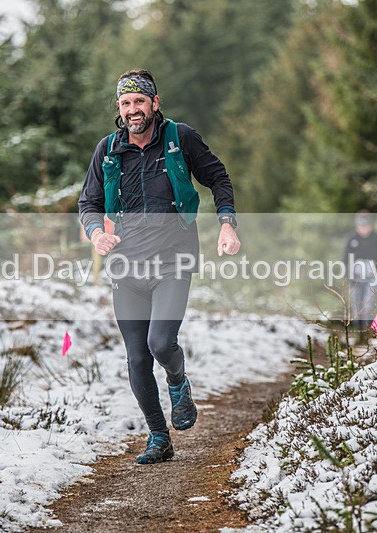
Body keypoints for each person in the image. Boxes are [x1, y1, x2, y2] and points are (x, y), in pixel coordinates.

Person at [78, 69, 240, 464]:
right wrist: (97, 233)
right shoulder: (108, 149)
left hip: (173, 261)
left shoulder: (179, 138)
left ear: (154, 103)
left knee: (160, 343)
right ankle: (157, 436)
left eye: (140, 101)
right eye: (126, 103)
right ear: (119, 107)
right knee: (136, 358)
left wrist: (227, 224)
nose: (133, 110)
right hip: (127, 267)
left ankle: (178, 380)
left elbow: (217, 177)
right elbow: (89, 204)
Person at [343, 210, 377, 332]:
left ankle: (370, 331)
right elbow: (346, 259)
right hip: (355, 277)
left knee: (369, 304)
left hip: (373, 277)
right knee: (356, 304)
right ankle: (358, 332)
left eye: (366, 225)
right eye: (361, 225)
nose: (364, 228)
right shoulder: (352, 239)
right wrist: (348, 275)